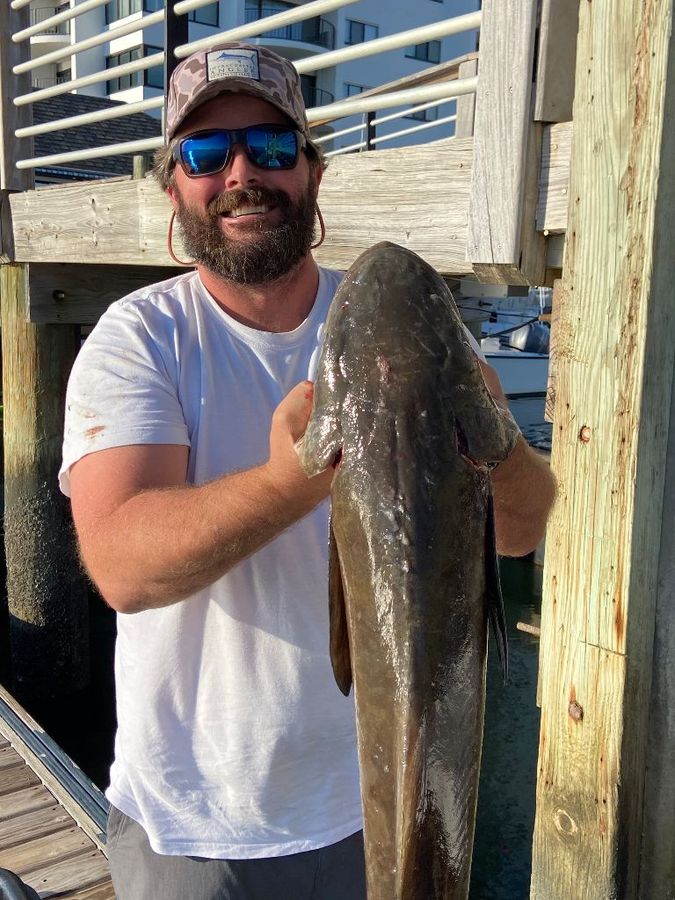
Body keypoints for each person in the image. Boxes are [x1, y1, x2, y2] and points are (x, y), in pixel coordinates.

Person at [60, 41, 556, 900]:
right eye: (208, 155)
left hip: (375, 809)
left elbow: (522, 530)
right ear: (172, 184)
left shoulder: (402, 327)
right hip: (198, 828)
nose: (243, 172)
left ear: (313, 173)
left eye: (273, 147)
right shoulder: (139, 339)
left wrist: (500, 448)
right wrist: (298, 474)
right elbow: (121, 565)